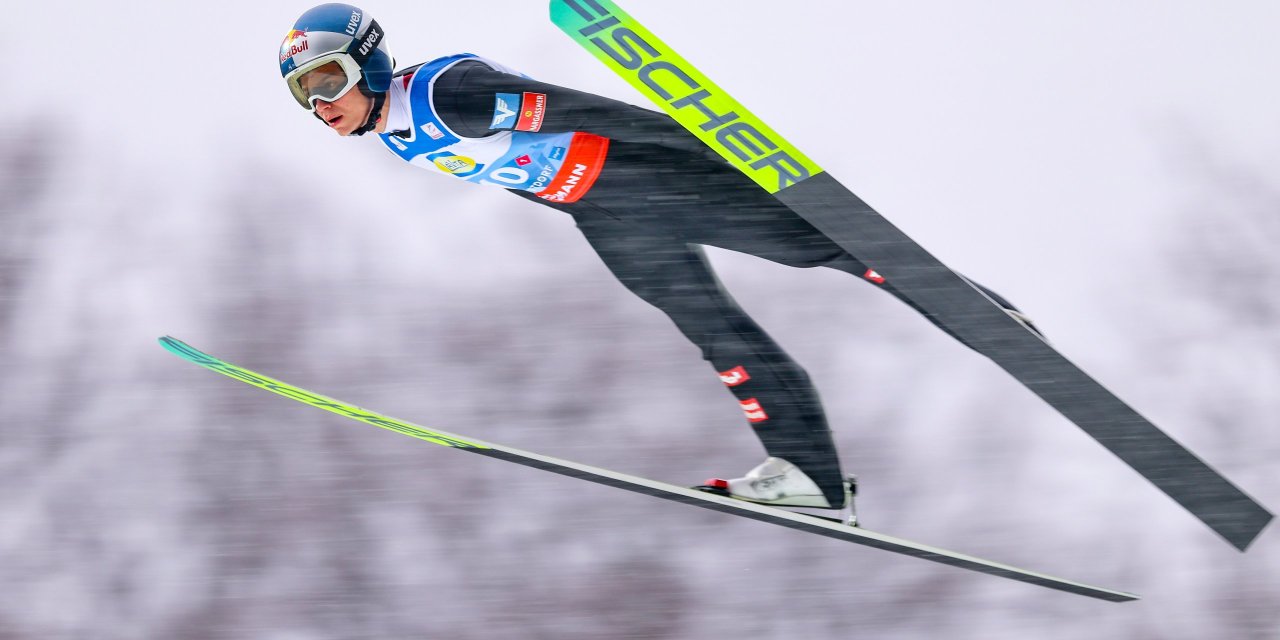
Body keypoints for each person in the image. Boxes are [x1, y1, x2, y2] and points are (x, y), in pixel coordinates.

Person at [278, 3, 1038, 521]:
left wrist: (712, 147)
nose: (321, 105)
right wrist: (590, 210)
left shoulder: (450, 94)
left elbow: (584, 110)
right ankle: (807, 474)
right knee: (710, 326)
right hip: (603, 211)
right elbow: (519, 168)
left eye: (327, 81)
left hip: (648, 176)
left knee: (823, 245)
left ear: (368, 63)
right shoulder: (396, 135)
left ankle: (984, 313)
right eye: (304, 96)